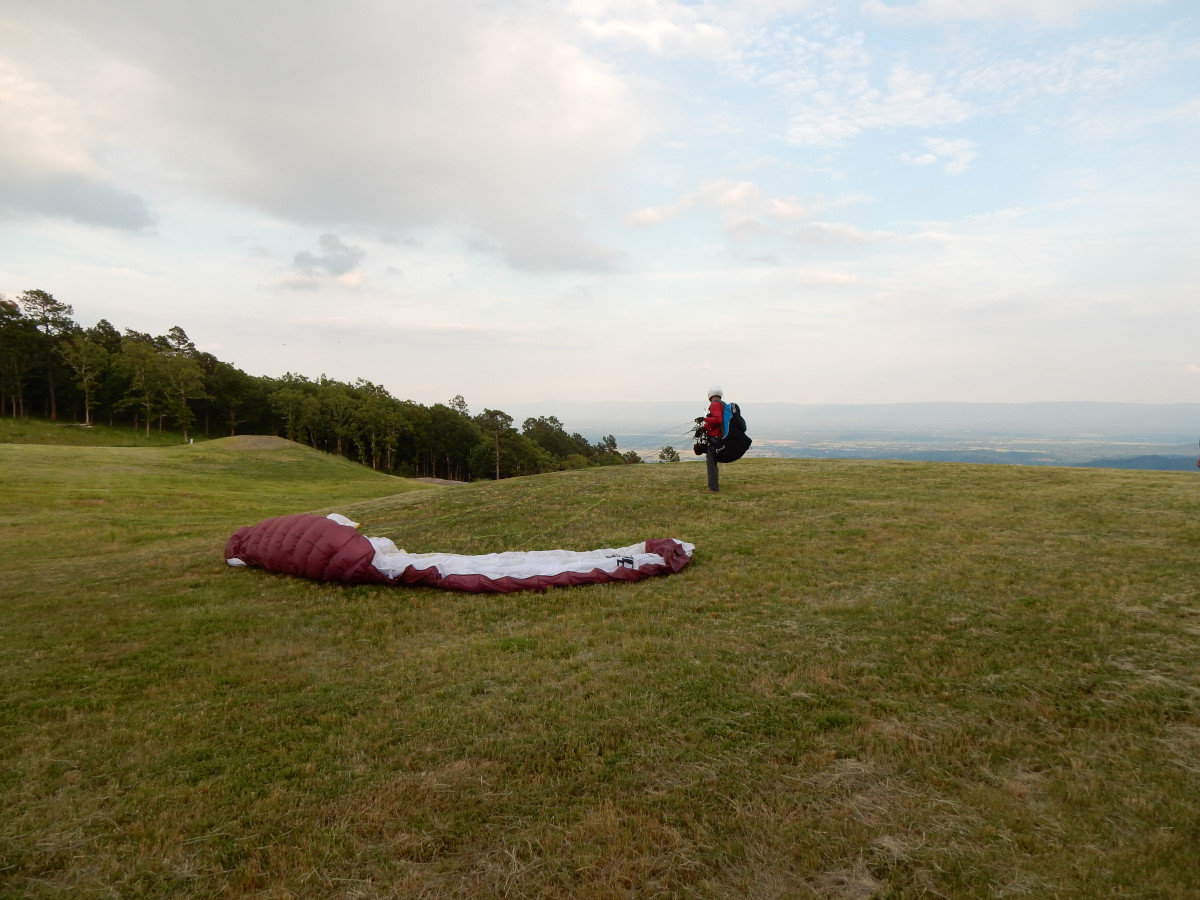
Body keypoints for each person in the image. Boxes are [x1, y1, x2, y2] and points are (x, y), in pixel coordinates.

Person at [696, 386, 725, 493]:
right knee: (712, 462)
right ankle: (714, 485)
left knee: (711, 463)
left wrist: (703, 419)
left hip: (715, 439)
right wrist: (703, 428)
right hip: (718, 437)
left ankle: (713, 488)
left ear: (710, 395)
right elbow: (714, 423)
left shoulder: (715, 404)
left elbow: (718, 419)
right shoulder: (721, 404)